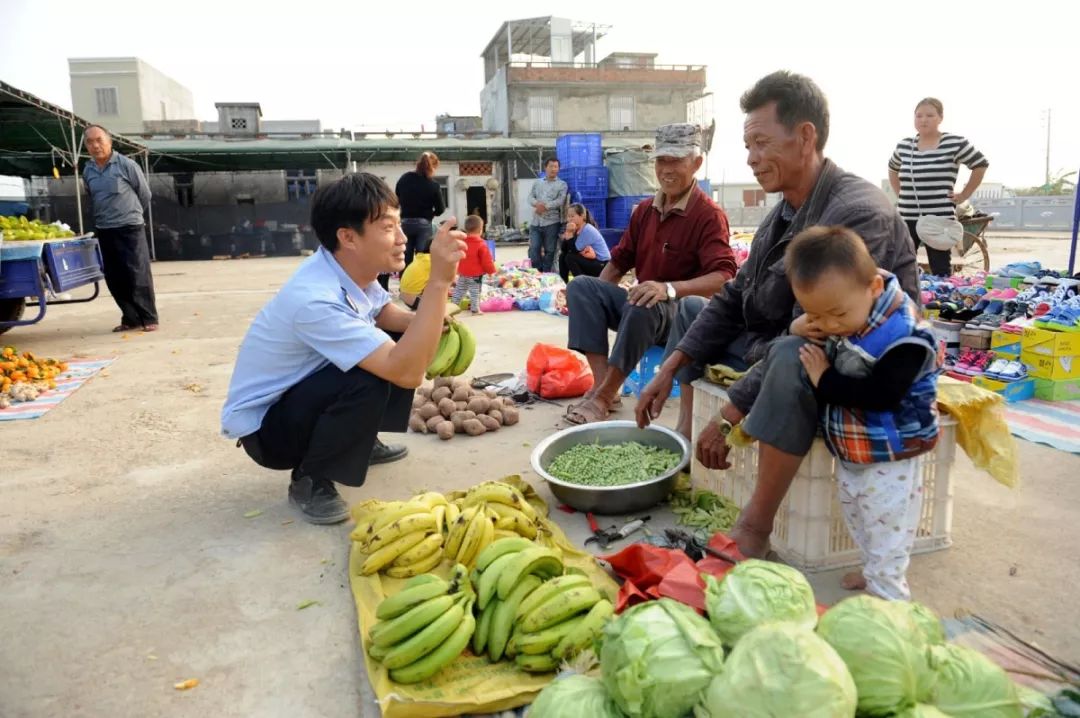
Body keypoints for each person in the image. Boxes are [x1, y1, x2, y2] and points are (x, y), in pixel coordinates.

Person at [635, 71, 919, 558]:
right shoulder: (785, 210)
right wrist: (669, 367)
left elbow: (829, 334)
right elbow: (734, 297)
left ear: (805, 136)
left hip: (857, 367)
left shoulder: (856, 213)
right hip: (777, 339)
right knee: (695, 309)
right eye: (748, 145)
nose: (751, 158)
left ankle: (755, 530)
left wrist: (730, 414)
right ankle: (685, 432)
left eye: (761, 142)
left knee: (793, 352)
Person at [221, 173, 466, 524]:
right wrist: (439, 281)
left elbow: (382, 312)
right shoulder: (314, 299)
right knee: (369, 375)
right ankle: (310, 477)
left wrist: (426, 322)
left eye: (399, 225)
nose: (402, 239)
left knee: (399, 341)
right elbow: (408, 373)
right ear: (348, 237)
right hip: (268, 432)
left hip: (299, 394)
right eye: (387, 228)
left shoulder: (343, 267)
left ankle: (359, 441)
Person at [786, 225, 941, 600]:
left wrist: (824, 379)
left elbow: (881, 395)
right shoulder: (848, 309)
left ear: (873, 288)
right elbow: (819, 321)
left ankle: (890, 598)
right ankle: (874, 570)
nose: (828, 325)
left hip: (892, 454)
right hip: (858, 449)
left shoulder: (905, 335)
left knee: (887, 527)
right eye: (815, 315)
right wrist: (801, 324)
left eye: (836, 314)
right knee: (859, 516)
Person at [564, 123, 736, 425]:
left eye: (676, 161)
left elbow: (723, 277)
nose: (666, 169)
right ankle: (605, 388)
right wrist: (596, 304)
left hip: (680, 318)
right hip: (640, 308)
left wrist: (669, 288)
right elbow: (618, 263)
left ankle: (603, 397)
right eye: (661, 161)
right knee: (582, 288)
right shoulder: (644, 211)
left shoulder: (708, 215)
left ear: (696, 163)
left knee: (644, 300)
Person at [888, 98, 989, 277]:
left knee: (940, 269)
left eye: (929, 115)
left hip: (939, 218)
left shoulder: (954, 143)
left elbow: (980, 164)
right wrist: (900, 194)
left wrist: (964, 195)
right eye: (918, 116)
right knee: (899, 266)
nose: (923, 120)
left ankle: (940, 301)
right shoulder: (905, 146)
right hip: (906, 217)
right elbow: (893, 168)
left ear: (940, 118)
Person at [82, 124, 159, 332]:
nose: (95, 145)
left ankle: (149, 318)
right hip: (105, 228)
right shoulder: (88, 169)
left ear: (109, 142)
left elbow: (145, 194)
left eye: (99, 140)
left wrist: (131, 214)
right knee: (115, 277)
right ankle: (131, 318)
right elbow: (92, 196)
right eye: (90, 142)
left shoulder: (126, 165)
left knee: (136, 273)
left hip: (130, 227)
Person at [388, 151, 446, 290]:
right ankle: (420, 287)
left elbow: (396, 198)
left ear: (418, 164)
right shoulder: (433, 185)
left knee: (405, 256)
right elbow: (441, 208)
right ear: (433, 167)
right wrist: (431, 215)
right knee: (422, 257)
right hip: (423, 224)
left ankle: (404, 286)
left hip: (405, 222)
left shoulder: (404, 179)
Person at [528, 157, 568, 273]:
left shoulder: (562, 185)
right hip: (536, 222)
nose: (553, 169)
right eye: (551, 166)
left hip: (552, 223)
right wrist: (536, 204)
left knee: (550, 250)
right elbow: (530, 197)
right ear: (545, 167)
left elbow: (560, 201)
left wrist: (545, 206)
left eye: (556, 167)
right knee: (534, 249)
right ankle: (538, 272)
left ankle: (546, 274)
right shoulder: (537, 183)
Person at [451, 215, 496, 314]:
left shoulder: (462, 243)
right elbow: (487, 261)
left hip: (463, 273)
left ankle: (452, 307)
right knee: (475, 292)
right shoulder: (481, 244)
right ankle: (475, 309)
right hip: (475, 275)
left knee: (459, 291)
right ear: (480, 230)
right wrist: (491, 271)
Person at [558, 203, 611, 282]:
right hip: (592, 260)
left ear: (582, 216)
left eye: (572, 216)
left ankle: (582, 284)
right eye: (568, 216)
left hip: (602, 265)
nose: (570, 219)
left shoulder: (587, 229)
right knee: (562, 256)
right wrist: (568, 232)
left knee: (570, 257)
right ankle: (564, 283)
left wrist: (569, 234)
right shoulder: (576, 228)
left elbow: (574, 250)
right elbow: (564, 249)